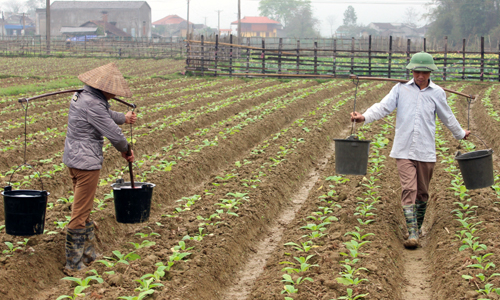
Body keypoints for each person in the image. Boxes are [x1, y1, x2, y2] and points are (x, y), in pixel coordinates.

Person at [350, 52, 471, 249]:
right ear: (411, 71)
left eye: (424, 72)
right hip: (403, 149)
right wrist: (364, 117)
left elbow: (447, 117)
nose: (420, 76)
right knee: (409, 189)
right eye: (416, 72)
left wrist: (460, 133)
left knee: (422, 193)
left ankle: (418, 225)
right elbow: (383, 107)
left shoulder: (437, 93)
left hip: (425, 150)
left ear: (430, 72)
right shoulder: (400, 89)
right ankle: (412, 232)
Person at [62, 63, 137, 270]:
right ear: (102, 87)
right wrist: (126, 150)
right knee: (79, 213)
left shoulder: (83, 97)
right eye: (112, 90)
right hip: (86, 163)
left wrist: (124, 117)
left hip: (74, 158)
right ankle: (74, 264)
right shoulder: (94, 104)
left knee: (83, 208)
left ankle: (88, 255)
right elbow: (113, 134)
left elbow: (105, 114)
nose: (114, 94)